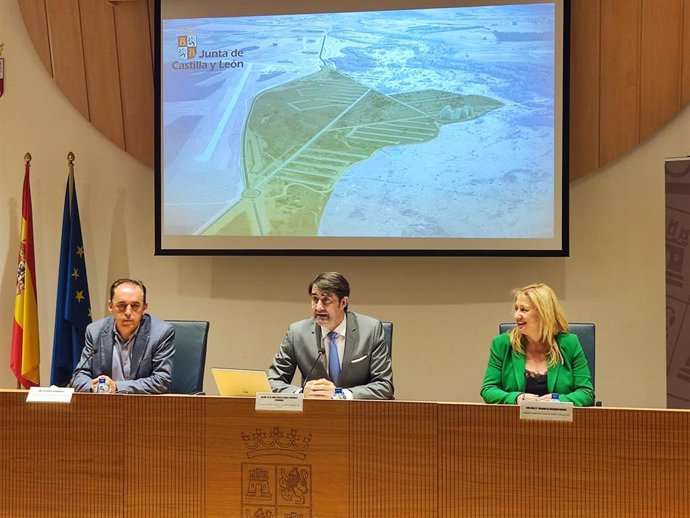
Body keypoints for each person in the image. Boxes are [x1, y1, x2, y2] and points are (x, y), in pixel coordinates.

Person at [268, 272, 394, 400]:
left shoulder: (370, 330)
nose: (318, 307)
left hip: (357, 413)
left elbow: (384, 386)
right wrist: (301, 394)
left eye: (326, 300)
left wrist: (339, 394)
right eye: (315, 299)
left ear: (343, 302)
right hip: (314, 413)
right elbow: (272, 381)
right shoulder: (297, 333)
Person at [480, 283, 594, 406]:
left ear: (543, 313)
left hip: (561, 423)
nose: (516, 315)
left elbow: (586, 393)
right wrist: (516, 398)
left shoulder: (569, 344)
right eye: (516, 308)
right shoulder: (502, 344)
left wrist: (557, 400)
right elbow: (488, 389)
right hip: (514, 422)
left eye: (523, 310)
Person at [71, 278, 175, 394]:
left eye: (135, 306)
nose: (128, 312)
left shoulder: (161, 333)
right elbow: (79, 376)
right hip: (104, 406)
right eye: (122, 305)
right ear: (110, 306)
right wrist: (94, 388)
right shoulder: (95, 331)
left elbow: (162, 381)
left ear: (144, 307)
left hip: (144, 407)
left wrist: (116, 387)